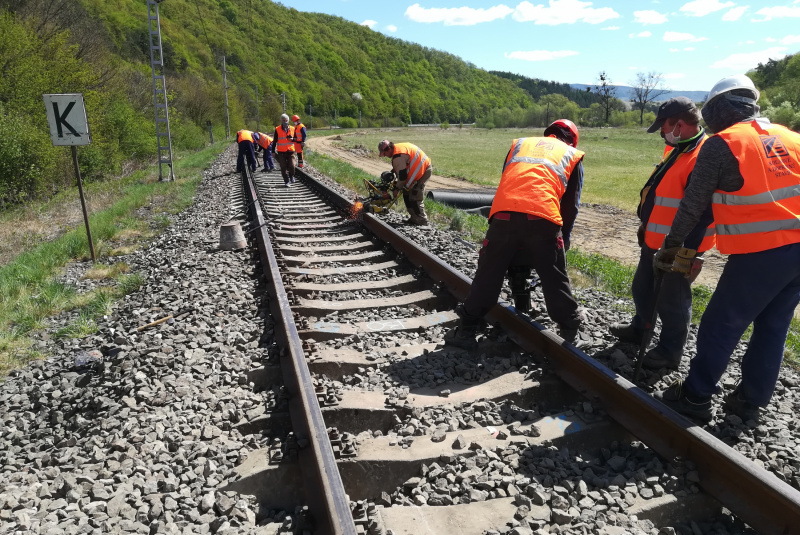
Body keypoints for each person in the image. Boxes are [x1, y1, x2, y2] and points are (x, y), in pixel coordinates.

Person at [653, 74, 800, 423]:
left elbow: (692, 206)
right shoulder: (791, 137)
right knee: (773, 325)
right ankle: (751, 400)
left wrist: (671, 246)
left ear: (720, 109)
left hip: (763, 253)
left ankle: (695, 395)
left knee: (722, 323)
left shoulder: (724, 144)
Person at [445, 119, 585, 349]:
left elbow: (507, 181)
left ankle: (467, 329)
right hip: (544, 216)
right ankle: (570, 330)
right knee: (553, 275)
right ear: (572, 139)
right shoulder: (572, 154)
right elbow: (571, 205)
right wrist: (563, 238)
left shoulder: (519, 145)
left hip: (503, 214)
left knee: (489, 271)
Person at [609, 97, 715, 370]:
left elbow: (701, 211)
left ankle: (669, 352)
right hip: (655, 240)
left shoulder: (704, 155)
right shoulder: (678, 148)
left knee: (672, 302)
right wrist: (647, 225)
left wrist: (691, 253)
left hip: (680, 247)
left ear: (680, 124)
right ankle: (640, 330)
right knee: (642, 289)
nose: (661, 131)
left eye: (664, 125)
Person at [377, 140, 432, 225]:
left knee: (414, 195)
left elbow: (402, 177)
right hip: (417, 169)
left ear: (388, 149)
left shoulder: (398, 156)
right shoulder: (397, 150)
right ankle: (414, 218)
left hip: (423, 170)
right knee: (406, 194)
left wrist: (397, 189)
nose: (384, 156)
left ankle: (422, 221)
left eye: (384, 153)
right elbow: (402, 170)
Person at [270, 114, 296, 187]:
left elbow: (297, 139)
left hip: (290, 151)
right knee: (283, 167)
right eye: (283, 120)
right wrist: (273, 151)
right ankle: (286, 181)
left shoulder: (292, 128)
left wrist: (292, 139)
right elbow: (274, 141)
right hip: (281, 152)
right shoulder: (278, 129)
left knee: (292, 165)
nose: (285, 122)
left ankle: (291, 176)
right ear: (281, 121)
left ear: (288, 120)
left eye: (286, 120)